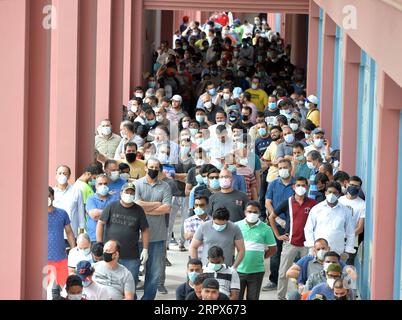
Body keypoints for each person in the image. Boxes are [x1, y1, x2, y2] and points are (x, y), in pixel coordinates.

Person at [269, 176, 318, 299]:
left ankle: (307, 296)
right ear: (293, 187)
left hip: (307, 245)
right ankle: (281, 297)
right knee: (283, 272)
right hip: (290, 243)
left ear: (307, 187)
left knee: (308, 272)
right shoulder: (288, 202)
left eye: (303, 185)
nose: (301, 188)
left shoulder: (313, 204)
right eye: (298, 185)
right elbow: (271, 217)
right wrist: (277, 235)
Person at [96, 182, 150, 291]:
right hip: (111, 254)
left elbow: (145, 230)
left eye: (132, 192)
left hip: (131, 256)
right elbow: (100, 223)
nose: (129, 194)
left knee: (130, 286)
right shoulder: (111, 206)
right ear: (121, 193)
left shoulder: (139, 210)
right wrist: (99, 243)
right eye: (127, 192)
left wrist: (145, 249)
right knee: (108, 285)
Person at [134, 158, 172, 299]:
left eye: (156, 167)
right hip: (136, 236)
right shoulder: (136, 184)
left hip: (157, 236)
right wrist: (157, 204)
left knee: (154, 273)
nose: (153, 169)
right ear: (145, 168)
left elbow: (167, 208)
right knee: (133, 271)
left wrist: (144, 208)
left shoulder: (165, 186)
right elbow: (136, 204)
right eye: (151, 167)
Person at [263, 159, 296, 291]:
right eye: (280, 167)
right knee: (275, 253)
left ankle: (297, 280)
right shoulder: (273, 184)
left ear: (290, 168)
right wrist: (275, 219)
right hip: (275, 223)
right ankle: (274, 280)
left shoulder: (296, 184)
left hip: (293, 224)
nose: (283, 169)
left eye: (285, 167)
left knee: (294, 253)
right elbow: (268, 202)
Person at [235, 201, 277, 300]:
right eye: (249, 211)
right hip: (238, 271)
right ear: (245, 212)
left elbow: (273, 249)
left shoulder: (266, 229)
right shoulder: (236, 226)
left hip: (256, 272)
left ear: (259, 213)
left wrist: (261, 256)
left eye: (255, 212)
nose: (252, 214)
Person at [304, 182, 355, 256]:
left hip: (337, 252)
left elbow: (350, 233)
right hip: (318, 251)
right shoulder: (316, 209)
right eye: (329, 192)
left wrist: (347, 252)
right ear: (325, 193)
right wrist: (311, 247)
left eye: (335, 193)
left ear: (339, 194)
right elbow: (308, 229)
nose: (331, 195)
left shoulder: (346, 211)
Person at [48, 187, 76, 287]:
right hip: (43, 260)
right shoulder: (36, 214)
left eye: (49, 195)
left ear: (53, 197)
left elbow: (69, 232)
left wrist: (73, 251)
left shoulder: (62, 213)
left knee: (62, 287)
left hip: (61, 258)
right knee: (42, 289)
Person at [338, 176, 366, 265]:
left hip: (352, 243)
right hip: (336, 240)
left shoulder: (362, 204)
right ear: (347, 184)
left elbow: (360, 228)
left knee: (347, 269)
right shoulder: (339, 200)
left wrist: (346, 236)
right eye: (351, 185)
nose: (353, 187)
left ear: (359, 188)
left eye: (356, 186)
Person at [53, 165, 85, 239]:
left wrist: (81, 231)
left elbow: (81, 211)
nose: (62, 175)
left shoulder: (76, 191)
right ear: (56, 175)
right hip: (55, 234)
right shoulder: (51, 192)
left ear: (69, 176)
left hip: (72, 234)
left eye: (65, 173)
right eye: (59, 173)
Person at [85, 174, 119, 243]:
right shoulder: (91, 199)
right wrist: (110, 213)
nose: (103, 186)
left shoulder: (115, 199)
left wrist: (100, 213)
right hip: (94, 238)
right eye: (100, 184)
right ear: (96, 185)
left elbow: (117, 216)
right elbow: (94, 215)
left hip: (111, 238)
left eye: (105, 184)